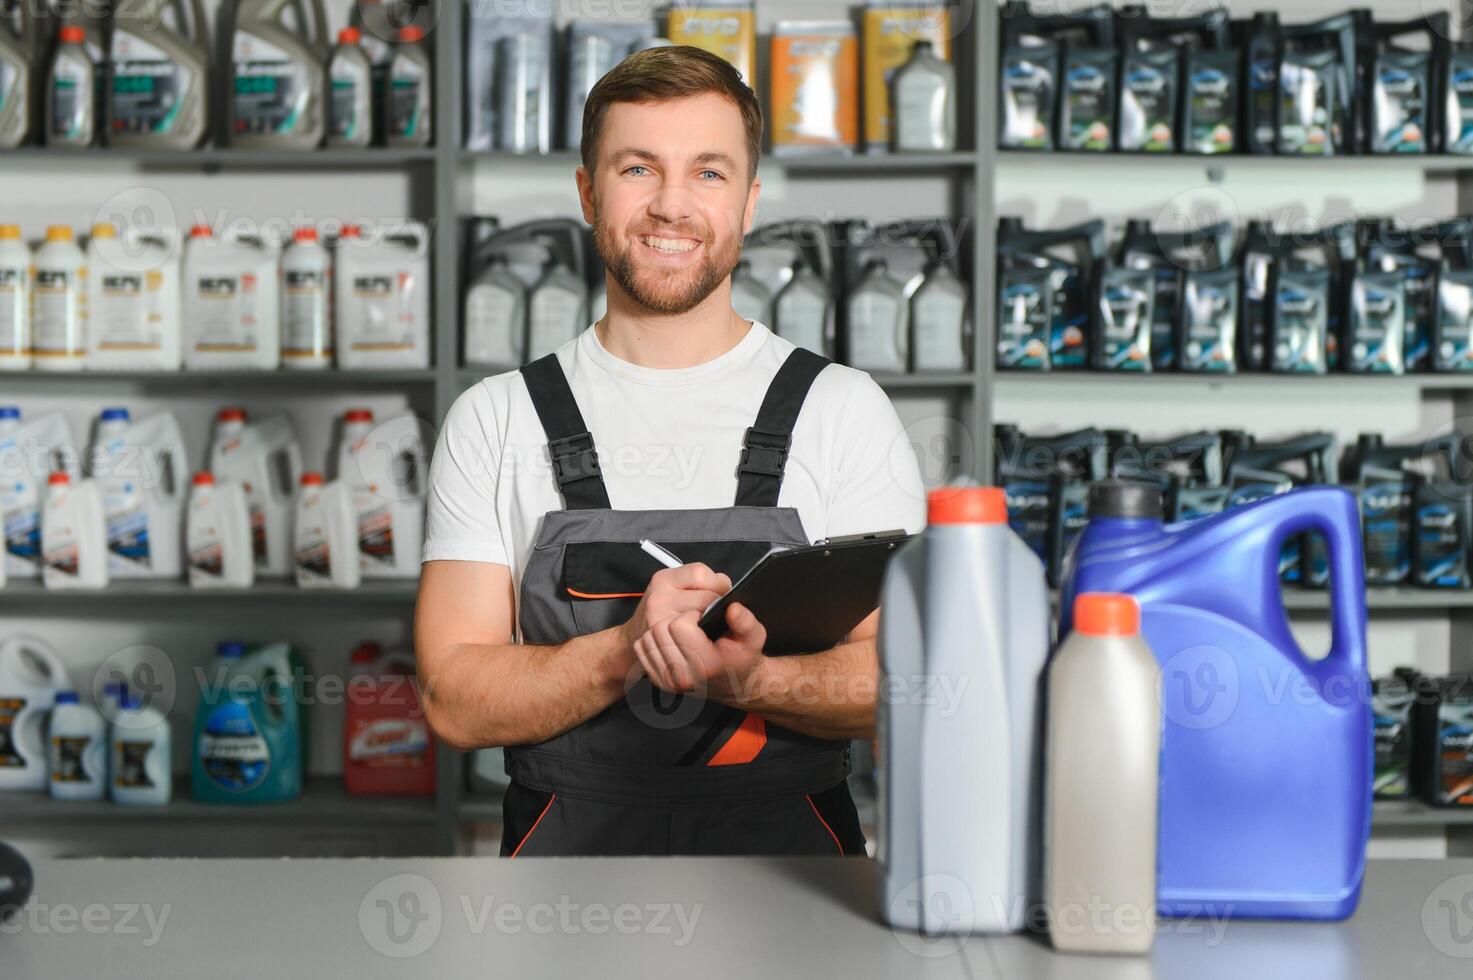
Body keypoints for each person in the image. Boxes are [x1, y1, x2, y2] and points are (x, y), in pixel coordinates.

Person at [416, 45, 926, 857]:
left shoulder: (842, 410)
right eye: (637, 169)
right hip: (559, 907)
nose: (671, 205)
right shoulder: (496, 419)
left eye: (709, 173)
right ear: (588, 192)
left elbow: (905, 683)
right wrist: (626, 649)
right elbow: (453, 700)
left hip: (794, 905)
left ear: (750, 202)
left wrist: (752, 682)